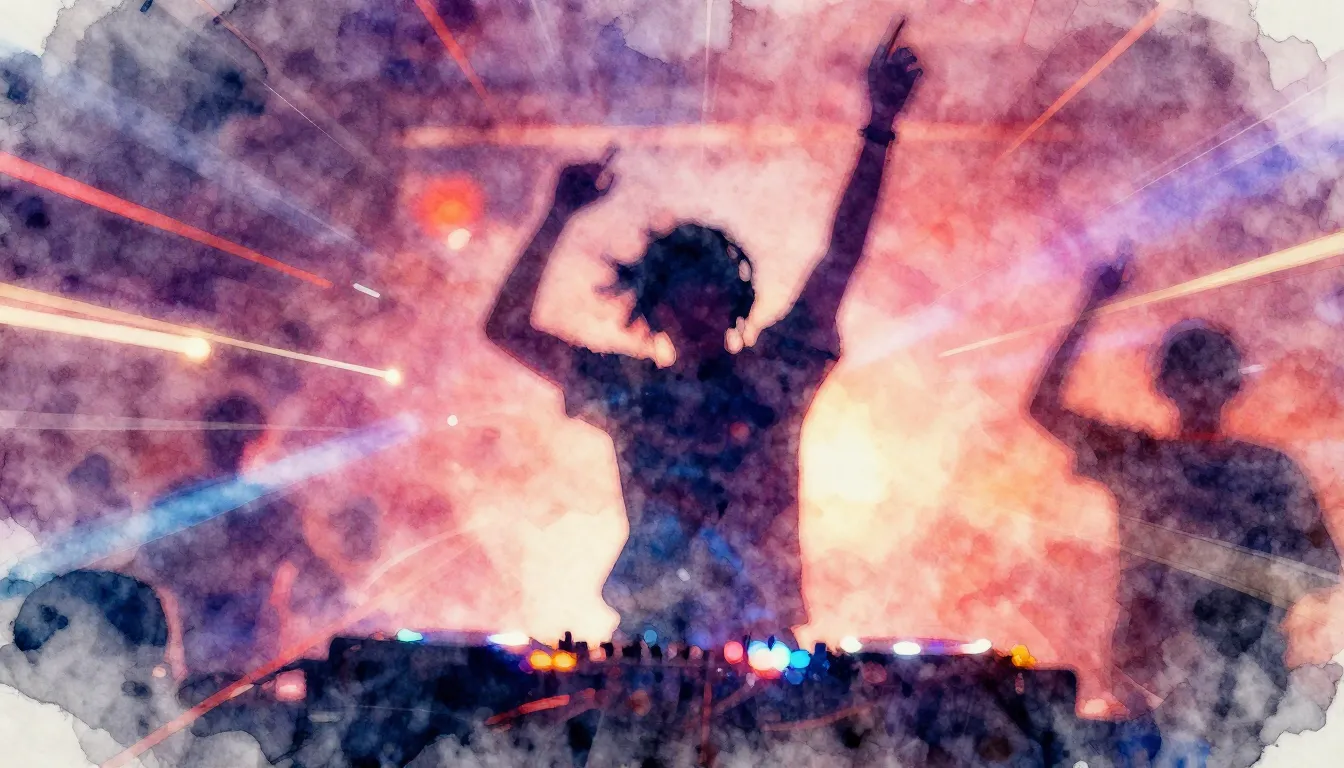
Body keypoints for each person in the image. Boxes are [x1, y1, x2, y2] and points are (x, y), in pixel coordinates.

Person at [487, 22, 922, 647]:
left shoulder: (773, 373)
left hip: (758, 633)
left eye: (708, 290)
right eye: (681, 292)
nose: (696, 307)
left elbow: (840, 257)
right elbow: (506, 329)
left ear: (732, 301)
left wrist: (879, 128)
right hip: (653, 637)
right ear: (656, 308)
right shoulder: (629, 387)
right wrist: (555, 216)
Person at [1028, 249, 1341, 766]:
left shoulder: (1256, 469)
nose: (1199, 385)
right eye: (1191, 372)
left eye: (1207, 372)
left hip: (1234, 685)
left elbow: (1323, 569)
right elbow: (1043, 407)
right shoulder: (1152, 459)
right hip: (1168, 687)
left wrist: (1249, 593)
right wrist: (1090, 304)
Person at [132, 395, 345, 686]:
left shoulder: (185, 500)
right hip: (225, 656)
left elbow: (313, 571)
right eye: (228, 436)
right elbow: (151, 566)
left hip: (238, 658)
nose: (231, 445)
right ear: (257, 440)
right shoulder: (270, 504)